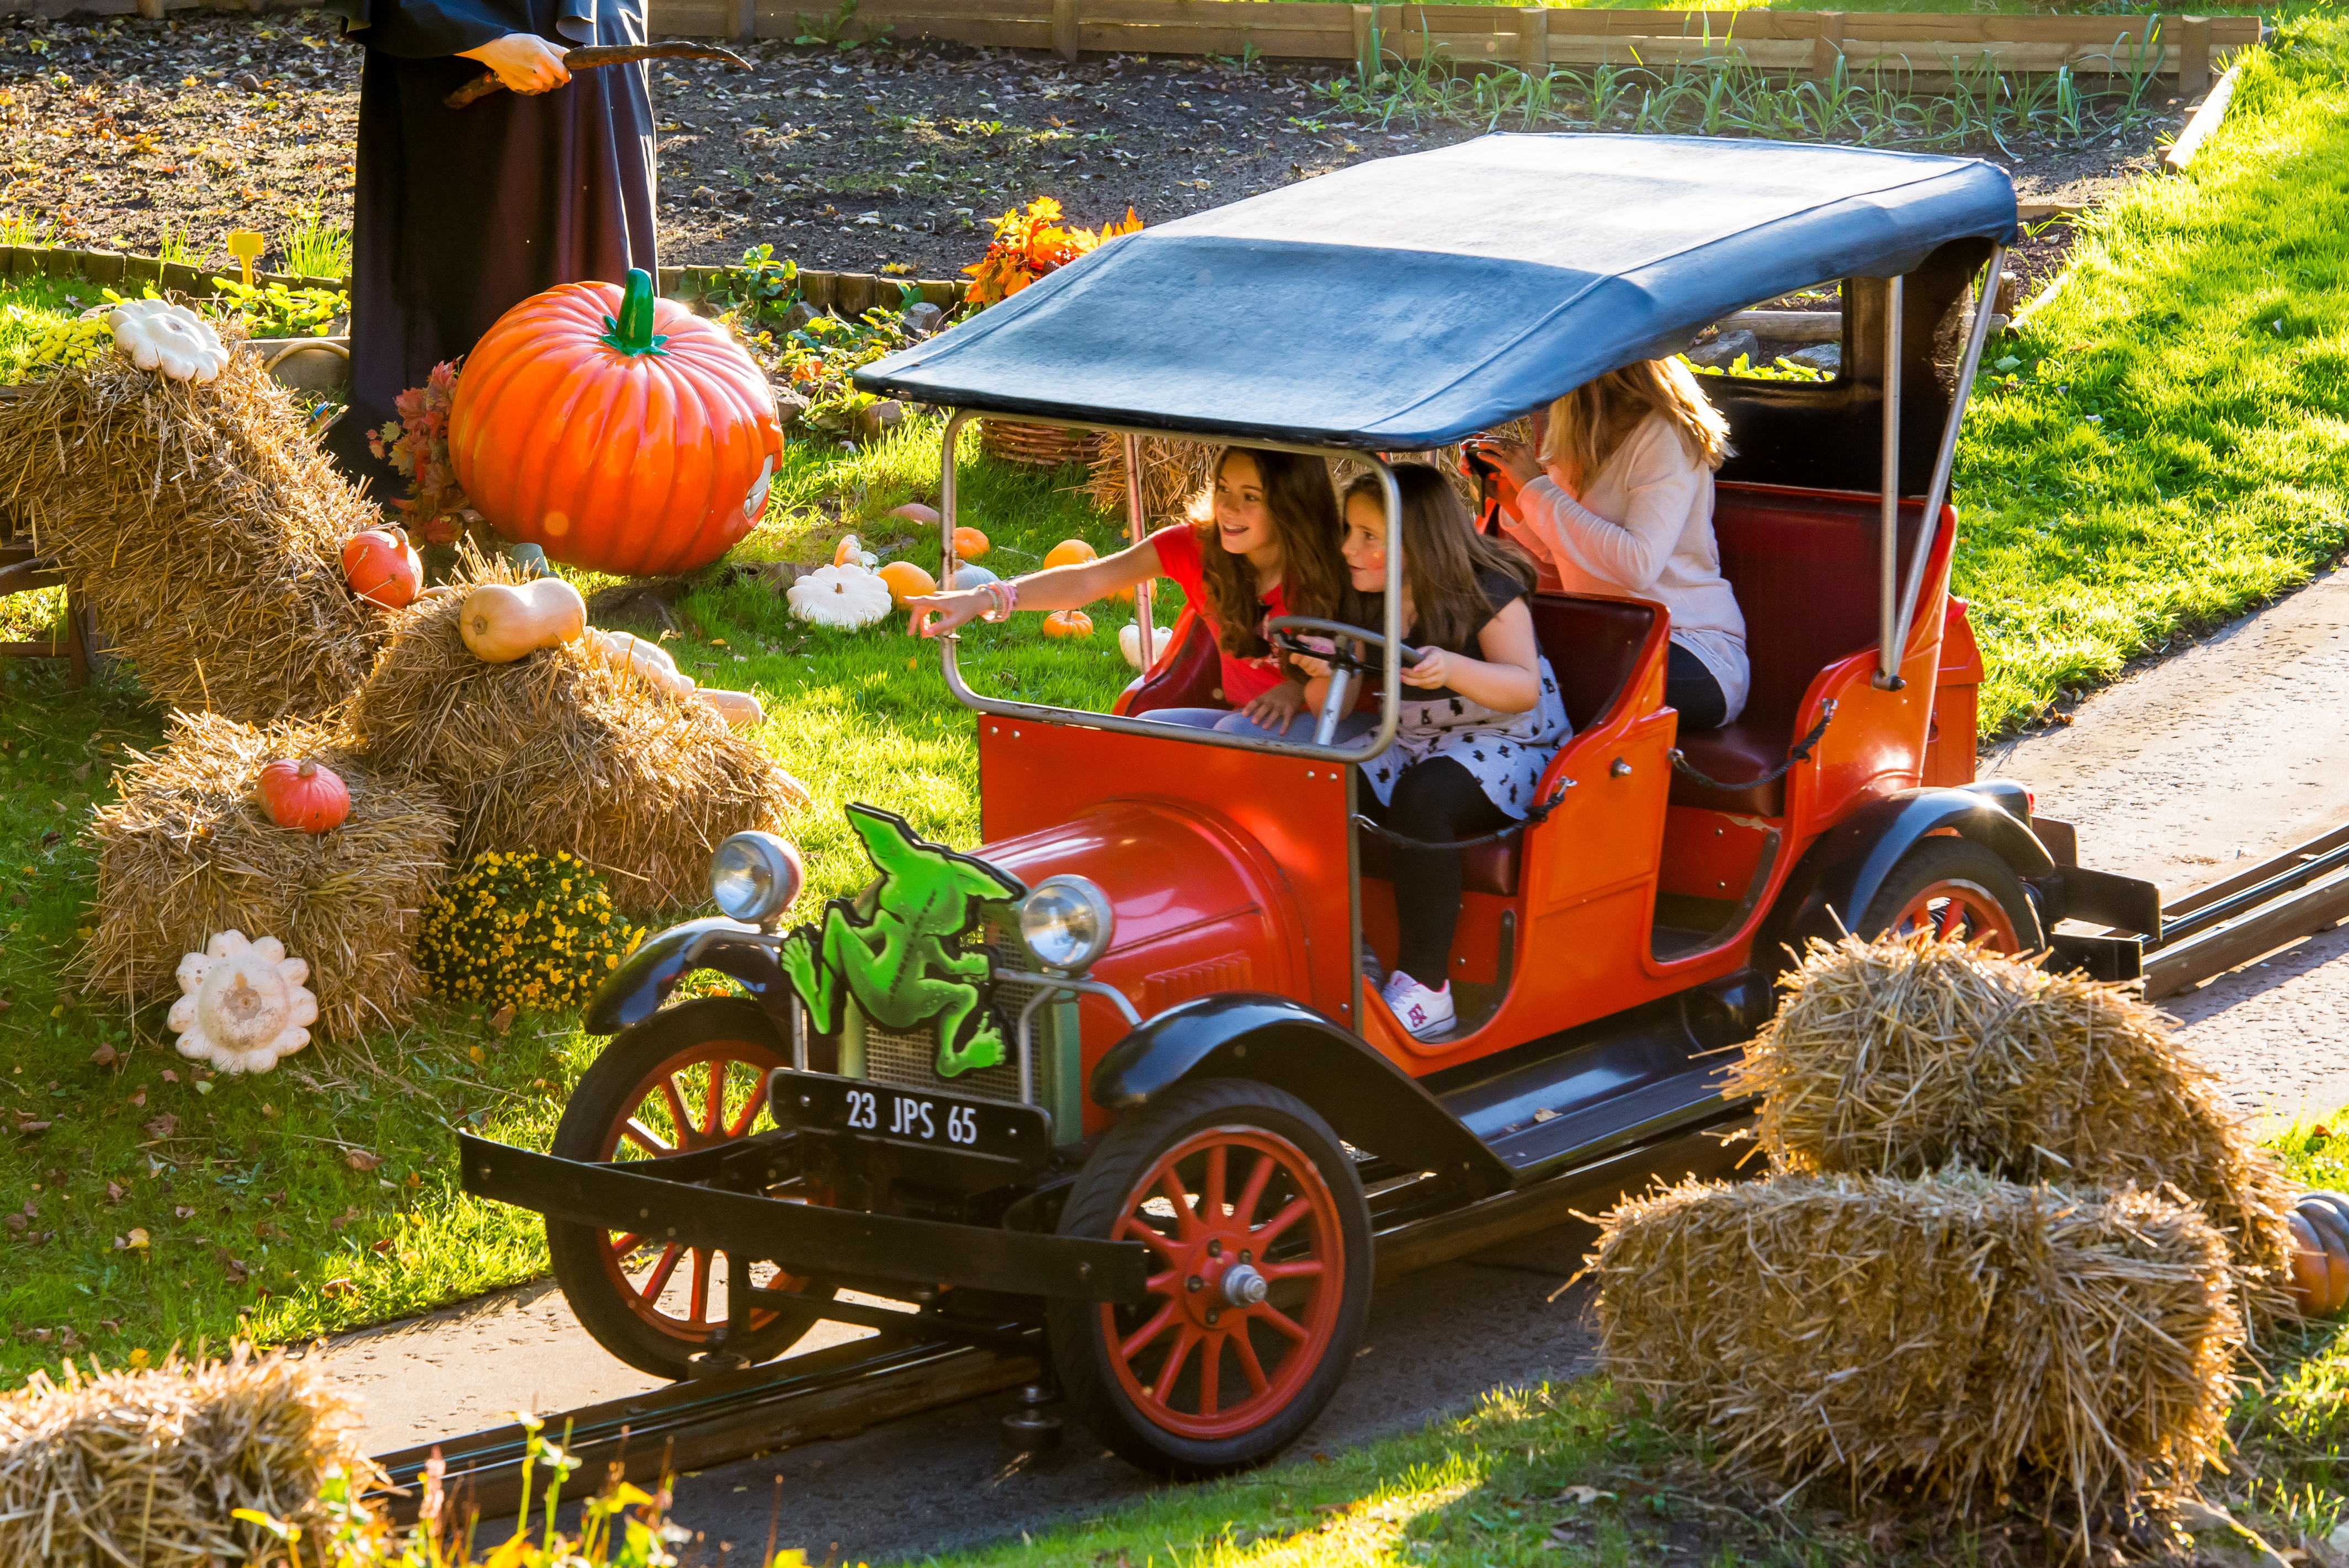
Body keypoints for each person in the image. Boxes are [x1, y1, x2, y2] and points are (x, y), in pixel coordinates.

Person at [321, 0, 657, 499]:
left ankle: (597, 451)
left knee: (596, 273)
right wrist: (490, 46)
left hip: (599, 57)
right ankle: (478, 465)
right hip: (466, 73)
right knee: (488, 267)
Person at [1299, 465, 1569, 1042]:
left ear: (1417, 540)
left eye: (1369, 536)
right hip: (1415, 740)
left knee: (1422, 801)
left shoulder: (1485, 592)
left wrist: (1454, 668)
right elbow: (1337, 700)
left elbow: (1521, 687)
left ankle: (1427, 987)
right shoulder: (1367, 596)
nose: (1348, 547)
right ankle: (1342, 952)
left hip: (1511, 743)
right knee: (1317, 786)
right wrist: (1320, 668)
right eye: (1350, 531)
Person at [907, 448, 1345, 733]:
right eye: (1224, 490)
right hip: (1246, 719)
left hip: (1335, 724)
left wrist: (1297, 689)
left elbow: (1367, 661)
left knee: (1230, 735)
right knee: (1144, 730)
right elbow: (1087, 579)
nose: (1230, 507)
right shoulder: (1196, 548)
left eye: (1252, 496)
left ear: (1292, 503)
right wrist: (983, 596)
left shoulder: (1335, 566)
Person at [1469, 358, 1749, 730]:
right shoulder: (1577, 435)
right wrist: (1514, 499)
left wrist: (1537, 490)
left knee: (1552, 683)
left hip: (1690, 645)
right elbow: (1565, 557)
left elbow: (1637, 564)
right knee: (1493, 662)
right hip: (1606, 638)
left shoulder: (1665, 433)